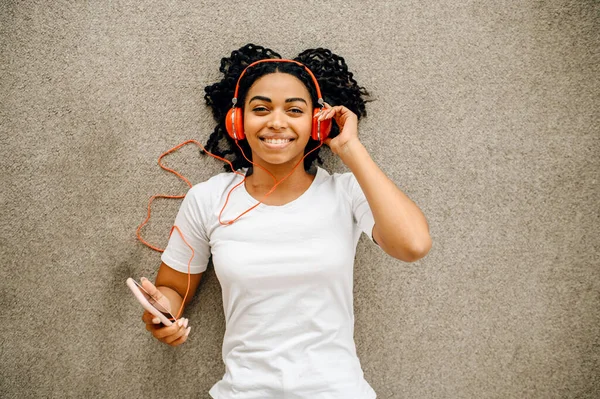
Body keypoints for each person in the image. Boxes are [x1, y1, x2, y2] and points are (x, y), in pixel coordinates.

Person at [139, 43, 432, 399]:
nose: (276, 121)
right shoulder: (207, 199)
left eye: (294, 110)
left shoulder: (347, 192)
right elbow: (173, 290)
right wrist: (159, 314)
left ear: (317, 124)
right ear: (237, 121)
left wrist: (351, 148)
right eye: (260, 109)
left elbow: (413, 245)